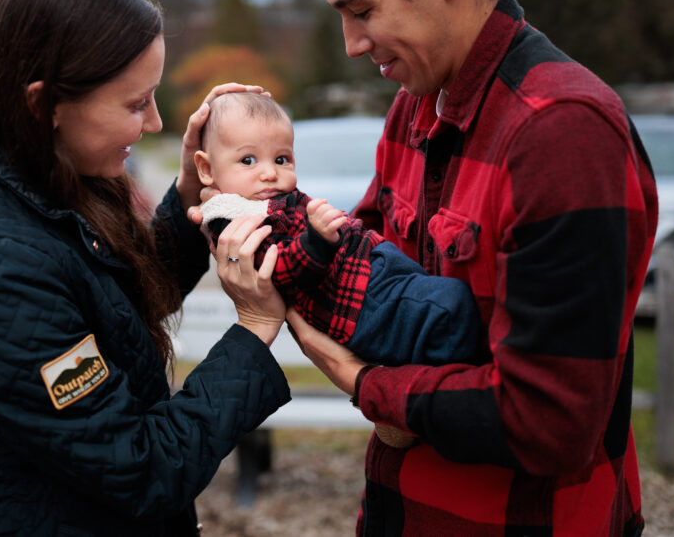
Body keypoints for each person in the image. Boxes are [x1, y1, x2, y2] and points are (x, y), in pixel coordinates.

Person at [278, 0, 658, 535]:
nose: (352, 43)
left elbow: (549, 421)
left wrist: (370, 386)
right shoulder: (413, 108)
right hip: (400, 511)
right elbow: (358, 279)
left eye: (361, 10)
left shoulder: (561, 133)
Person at [0, 0, 293, 536]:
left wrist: (194, 190)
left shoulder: (48, 183)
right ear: (45, 103)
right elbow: (142, 470)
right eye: (134, 103)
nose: (152, 122)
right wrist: (252, 330)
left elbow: (121, 307)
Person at [194, 91, 480, 368]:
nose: (270, 172)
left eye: (281, 159)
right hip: (357, 304)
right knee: (453, 307)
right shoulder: (232, 219)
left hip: (371, 268)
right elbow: (274, 271)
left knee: (442, 299)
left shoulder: (269, 198)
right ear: (207, 169)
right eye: (248, 160)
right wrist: (317, 240)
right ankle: (471, 375)